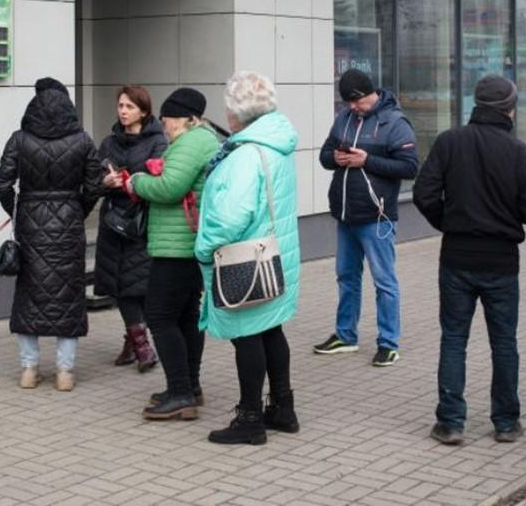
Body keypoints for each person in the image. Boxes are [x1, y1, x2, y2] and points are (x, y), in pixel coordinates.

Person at [412, 74, 526, 446]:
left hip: (456, 256)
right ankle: (506, 422)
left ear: (476, 104)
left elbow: (424, 193)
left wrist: (449, 222)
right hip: (501, 261)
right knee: (504, 342)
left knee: (454, 339)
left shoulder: (449, 142)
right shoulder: (519, 152)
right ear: (510, 108)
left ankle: (451, 422)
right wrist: (506, 214)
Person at [195, 71, 301, 446]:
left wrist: (202, 247)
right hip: (274, 255)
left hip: (245, 261)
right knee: (271, 328)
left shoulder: (245, 155)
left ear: (238, 112)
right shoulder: (277, 144)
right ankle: (283, 409)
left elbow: (229, 218)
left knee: (247, 335)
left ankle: (251, 418)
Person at [0, 77, 103, 393]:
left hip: (30, 221)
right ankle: (64, 373)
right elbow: (94, 184)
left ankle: (29, 370)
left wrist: (16, 210)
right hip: (69, 222)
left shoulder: (20, 139)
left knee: (30, 295)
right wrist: (77, 209)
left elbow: (3, 181)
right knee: (68, 297)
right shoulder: (82, 140)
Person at [124, 87, 221, 420]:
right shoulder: (204, 140)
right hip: (189, 244)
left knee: (160, 316)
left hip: (177, 246)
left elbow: (170, 187)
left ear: (184, 119)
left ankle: (181, 392)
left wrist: (135, 182)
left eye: (167, 120)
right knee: (186, 316)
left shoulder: (191, 142)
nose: (164, 127)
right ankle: (189, 386)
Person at [314, 69, 419, 366]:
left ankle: (388, 342)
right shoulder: (344, 119)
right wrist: (335, 158)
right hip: (346, 215)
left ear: (367, 94)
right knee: (346, 277)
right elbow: (323, 156)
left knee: (384, 281)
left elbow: (410, 168)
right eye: (347, 102)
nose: (351, 107)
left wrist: (367, 160)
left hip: (377, 217)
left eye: (355, 102)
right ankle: (345, 336)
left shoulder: (395, 123)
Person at [95, 85, 167, 371]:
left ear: (144, 111)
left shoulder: (158, 142)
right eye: (121, 106)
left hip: (142, 221)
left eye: (130, 107)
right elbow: (93, 179)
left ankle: (138, 344)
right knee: (120, 286)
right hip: (113, 222)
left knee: (140, 286)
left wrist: (133, 183)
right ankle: (139, 345)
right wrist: (105, 183)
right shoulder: (108, 143)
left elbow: (161, 178)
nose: (123, 111)